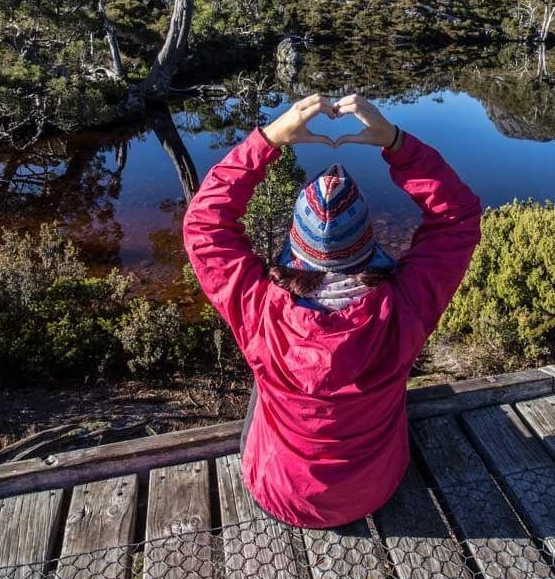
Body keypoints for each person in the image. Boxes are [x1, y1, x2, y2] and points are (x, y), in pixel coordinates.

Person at [182, 93, 482, 529]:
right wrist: (395, 142)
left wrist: (267, 140)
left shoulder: (259, 311)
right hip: (375, 488)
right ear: (368, 246)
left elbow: (204, 224)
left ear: (295, 250)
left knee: (262, 384)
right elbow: (457, 217)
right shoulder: (405, 306)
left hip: (278, 492)